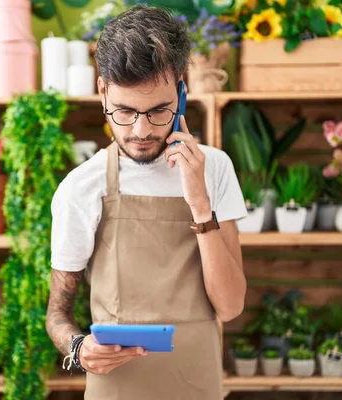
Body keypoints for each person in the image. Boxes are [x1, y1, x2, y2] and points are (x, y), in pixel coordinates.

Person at [46, 5, 248, 399]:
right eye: (124, 111)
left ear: (181, 90)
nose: (140, 131)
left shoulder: (216, 168)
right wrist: (78, 348)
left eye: (158, 111)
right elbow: (58, 316)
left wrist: (199, 201)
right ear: (103, 90)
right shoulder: (81, 188)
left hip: (197, 386)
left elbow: (230, 307)